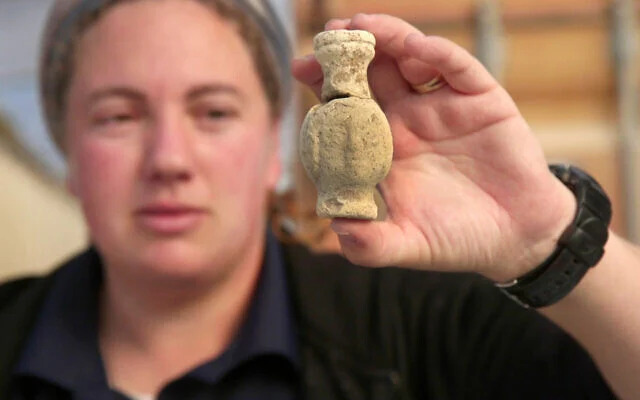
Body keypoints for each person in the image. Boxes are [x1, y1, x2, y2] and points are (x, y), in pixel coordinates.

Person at [1, 0, 639, 399]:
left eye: (215, 111)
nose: (169, 159)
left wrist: (548, 240)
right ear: (68, 153)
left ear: (277, 150)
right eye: (118, 117)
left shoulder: (426, 332)